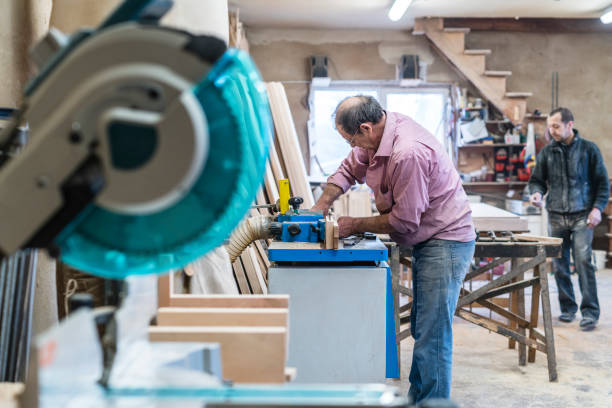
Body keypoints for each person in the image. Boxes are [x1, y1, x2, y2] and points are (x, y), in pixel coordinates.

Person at [311, 95, 475, 402]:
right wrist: (321, 205)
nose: (352, 147)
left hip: (446, 239)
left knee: (433, 333)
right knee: (422, 327)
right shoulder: (378, 134)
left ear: (366, 127)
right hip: (428, 237)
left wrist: (353, 225)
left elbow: (404, 222)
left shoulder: (407, 152)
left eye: (351, 140)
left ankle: (434, 403)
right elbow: (350, 168)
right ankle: (421, 398)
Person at [528, 107, 609, 331]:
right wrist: (535, 193)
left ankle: (590, 312)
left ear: (569, 125)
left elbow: (603, 184)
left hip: (583, 215)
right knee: (559, 265)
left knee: (584, 262)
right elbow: (536, 180)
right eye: (549, 126)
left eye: (555, 126)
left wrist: (597, 209)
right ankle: (568, 308)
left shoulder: (589, 150)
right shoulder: (546, 153)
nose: (551, 130)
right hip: (555, 215)